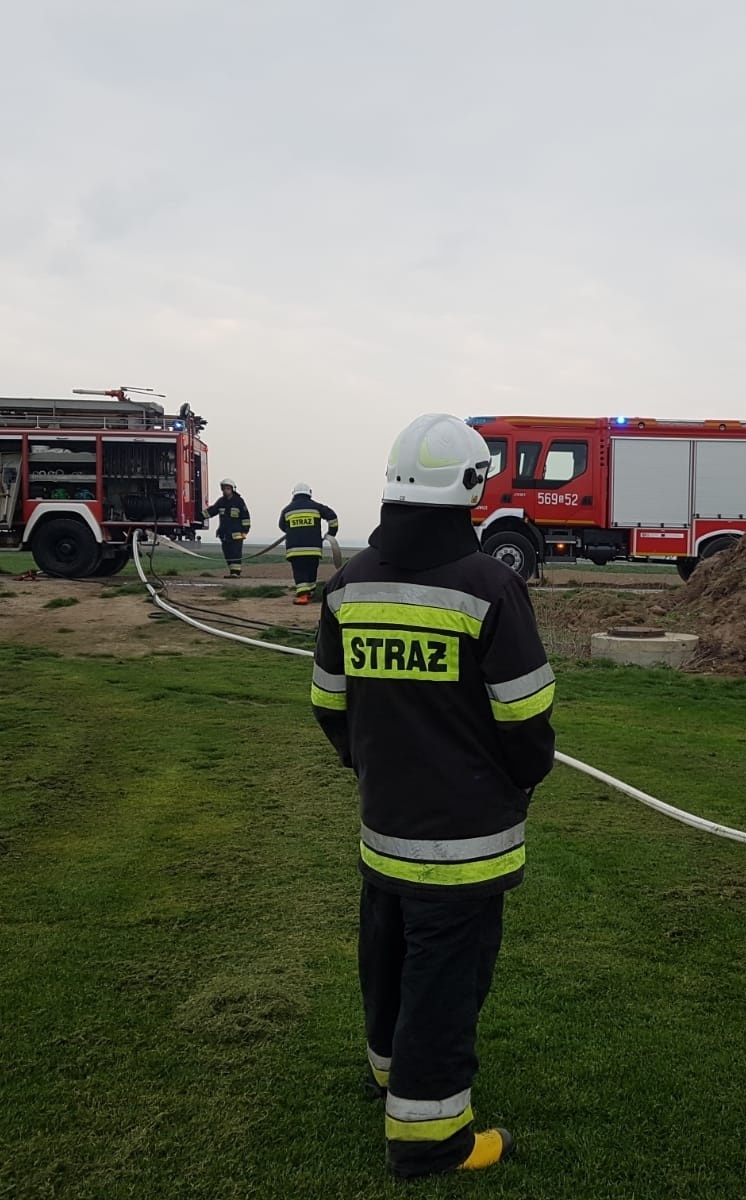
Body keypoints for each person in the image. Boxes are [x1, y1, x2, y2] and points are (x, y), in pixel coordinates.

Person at [310, 413, 556, 1179]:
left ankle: (388, 1072)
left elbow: (328, 703)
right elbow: (524, 718)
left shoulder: (349, 585)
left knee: (387, 956)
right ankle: (429, 1138)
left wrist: (372, 764)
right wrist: (521, 777)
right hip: (467, 838)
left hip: (385, 826)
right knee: (446, 978)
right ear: (471, 488)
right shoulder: (491, 586)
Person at [280, 483, 339, 605]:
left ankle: (303, 596)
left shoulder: (287, 510)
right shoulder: (316, 507)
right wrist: (331, 533)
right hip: (313, 549)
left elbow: (282, 526)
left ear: (294, 494)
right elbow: (332, 517)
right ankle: (310, 593)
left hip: (295, 549)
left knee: (299, 571)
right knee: (312, 570)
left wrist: (294, 531)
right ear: (309, 493)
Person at [203, 478, 252, 578]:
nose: (225, 491)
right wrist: (199, 515)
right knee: (227, 554)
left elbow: (246, 517)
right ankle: (232, 572)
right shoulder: (221, 502)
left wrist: (245, 531)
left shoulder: (239, 501)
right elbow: (212, 511)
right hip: (225, 534)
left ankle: (235, 573)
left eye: (227, 488)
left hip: (237, 534)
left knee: (235, 554)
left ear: (232, 489)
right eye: (224, 489)